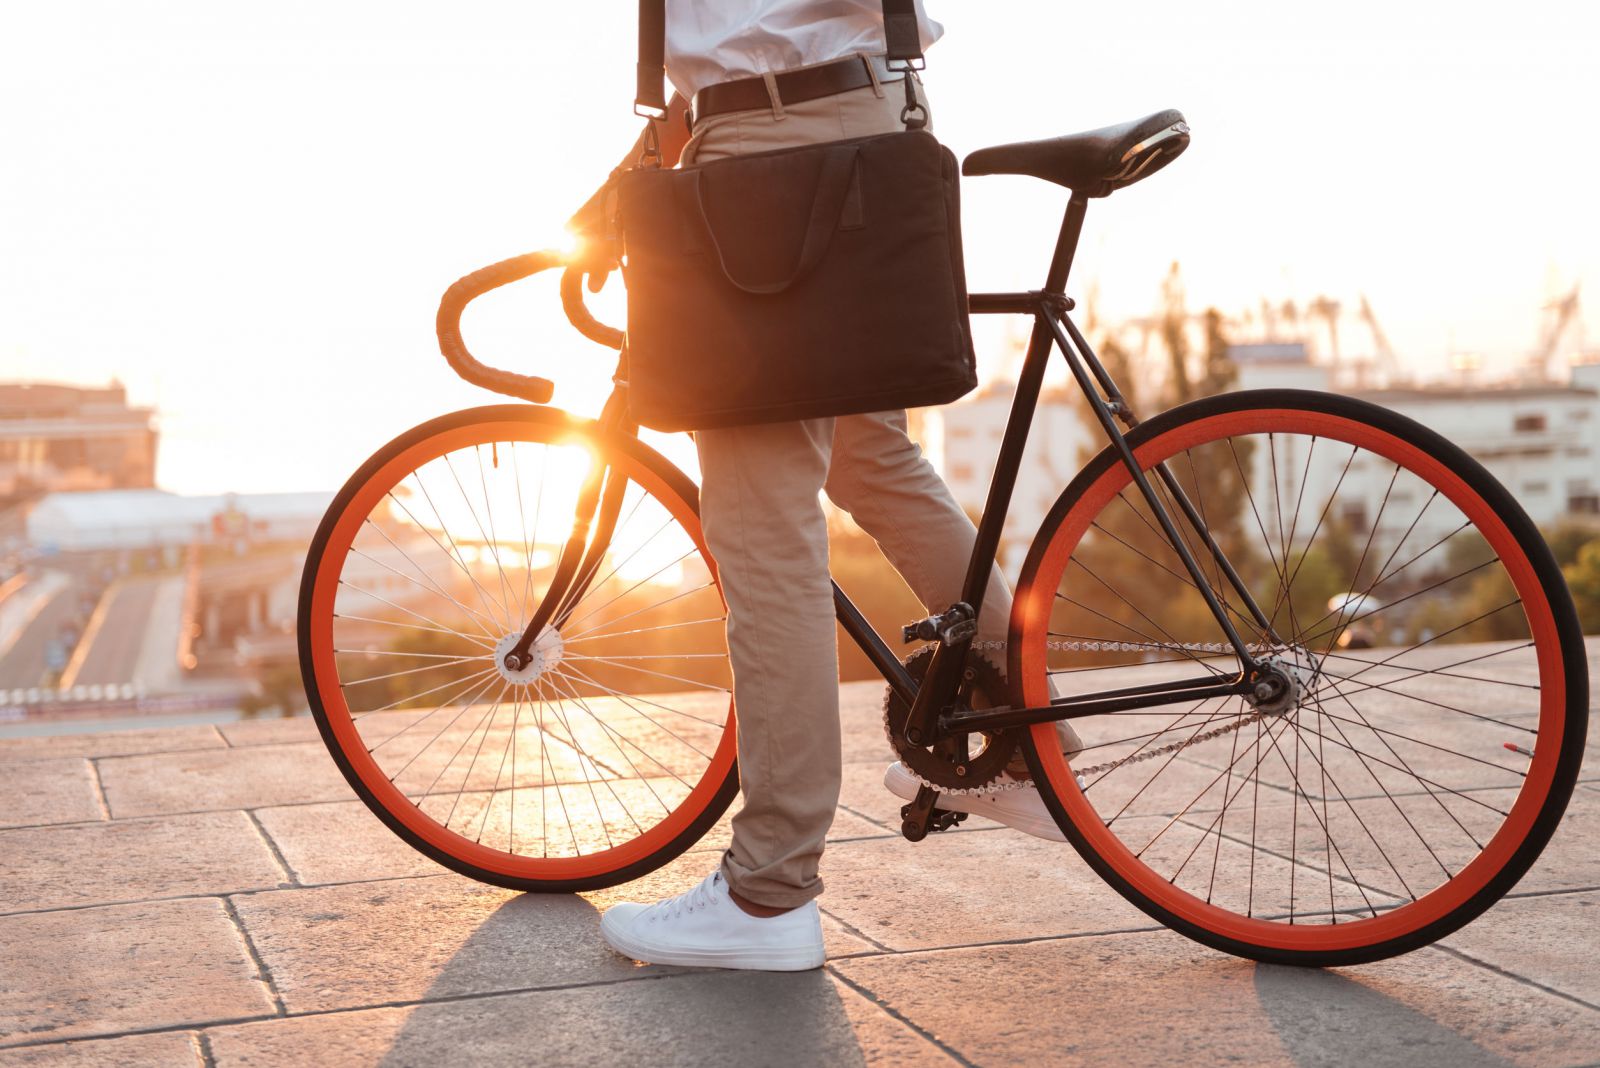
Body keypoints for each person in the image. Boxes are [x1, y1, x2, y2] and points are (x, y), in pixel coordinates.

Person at [570, 1, 1080, 973]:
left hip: (774, 150)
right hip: (833, 118)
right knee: (865, 456)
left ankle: (767, 895)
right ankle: (1022, 748)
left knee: (762, 531)